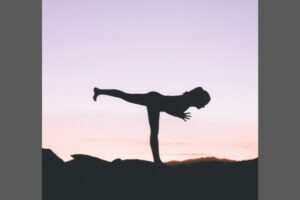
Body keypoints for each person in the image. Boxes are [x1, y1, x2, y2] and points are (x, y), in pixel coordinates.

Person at [93, 87, 210, 165]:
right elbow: (168, 108)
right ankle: (157, 160)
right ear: (198, 100)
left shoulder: (186, 102)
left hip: (155, 101)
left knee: (126, 96)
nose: (203, 106)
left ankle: (99, 91)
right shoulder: (185, 103)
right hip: (154, 101)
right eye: (204, 103)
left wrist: (179, 114)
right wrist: (179, 115)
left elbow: (170, 108)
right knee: (154, 132)